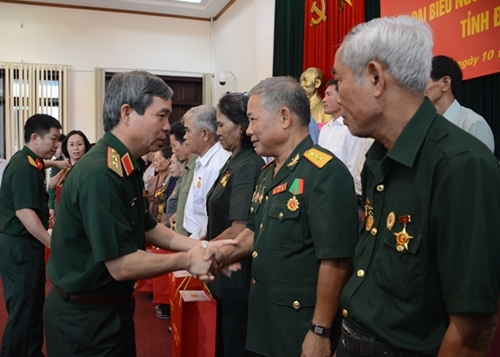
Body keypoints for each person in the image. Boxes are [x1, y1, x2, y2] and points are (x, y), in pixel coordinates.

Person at [332, 16, 500, 356]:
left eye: (339, 80)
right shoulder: (378, 158)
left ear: (376, 78)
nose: (335, 95)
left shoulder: (460, 166)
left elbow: (471, 330)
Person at [43, 71, 235, 357]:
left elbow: (147, 227)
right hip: (84, 319)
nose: (168, 126)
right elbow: (121, 265)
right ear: (127, 113)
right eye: (161, 116)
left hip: (109, 308)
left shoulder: (124, 164)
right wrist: (187, 260)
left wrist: (203, 247)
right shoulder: (101, 173)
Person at [208, 77, 359, 357]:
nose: (249, 130)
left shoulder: (325, 173)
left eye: (253, 120)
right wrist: (221, 255)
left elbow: (335, 260)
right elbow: (254, 231)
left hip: (298, 328)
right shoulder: (268, 175)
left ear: (285, 117)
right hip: (264, 320)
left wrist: (320, 330)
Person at [206, 93, 265, 357]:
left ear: (240, 127)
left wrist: (202, 252)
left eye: (220, 125)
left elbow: (238, 229)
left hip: (235, 276)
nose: (216, 131)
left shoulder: (248, 166)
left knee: (232, 348)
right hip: (223, 272)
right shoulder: (234, 161)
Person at [0, 113, 62, 357]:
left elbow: (42, 165)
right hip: (19, 247)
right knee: (22, 311)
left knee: (34, 306)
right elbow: (25, 213)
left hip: (25, 247)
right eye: (54, 139)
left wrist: (55, 164)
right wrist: (52, 243)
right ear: (35, 137)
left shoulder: (30, 161)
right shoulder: (23, 167)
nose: (57, 145)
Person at [425, 55, 495, 152]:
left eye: (423, 81)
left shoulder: (473, 124)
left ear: (445, 83)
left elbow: (481, 165)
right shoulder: (426, 125)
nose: (417, 89)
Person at [319, 78, 372, 206]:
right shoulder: (325, 129)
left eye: (329, 94)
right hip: (321, 193)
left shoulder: (350, 129)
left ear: (340, 97)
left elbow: (352, 166)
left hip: (341, 195)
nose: (324, 99)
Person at [182, 104, 230, 239]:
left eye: (188, 131)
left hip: (202, 240)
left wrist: (194, 244)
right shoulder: (203, 159)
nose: (184, 136)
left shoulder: (216, 165)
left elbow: (212, 217)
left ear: (204, 134)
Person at [48, 130, 92, 214]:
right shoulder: (63, 166)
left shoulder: (90, 167)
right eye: (71, 145)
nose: (75, 148)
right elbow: (51, 185)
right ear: (66, 147)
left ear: (85, 146)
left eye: (79, 144)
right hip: (62, 212)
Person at [168, 120, 198, 235]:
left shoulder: (198, 167)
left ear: (185, 142)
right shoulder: (186, 167)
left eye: (174, 146)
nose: (173, 151)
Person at [146, 146, 176, 223]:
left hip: (165, 221)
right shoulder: (152, 180)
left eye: (157, 160)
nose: (154, 163)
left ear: (168, 161)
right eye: (153, 160)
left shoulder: (172, 180)